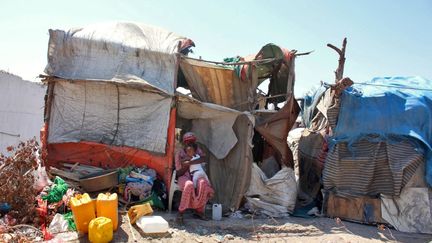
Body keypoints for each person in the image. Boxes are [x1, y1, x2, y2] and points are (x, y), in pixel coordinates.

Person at [175, 132, 214, 222]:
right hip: (184, 176)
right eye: (188, 142)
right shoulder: (179, 154)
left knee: (203, 183)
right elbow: (179, 173)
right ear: (184, 143)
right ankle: (181, 212)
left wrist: (190, 162)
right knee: (189, 185)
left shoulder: (197, 151)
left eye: (192, 142)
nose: (190, 144)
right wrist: (186, 165)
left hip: (196, 174)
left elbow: (203, 158)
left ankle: (199, 211)